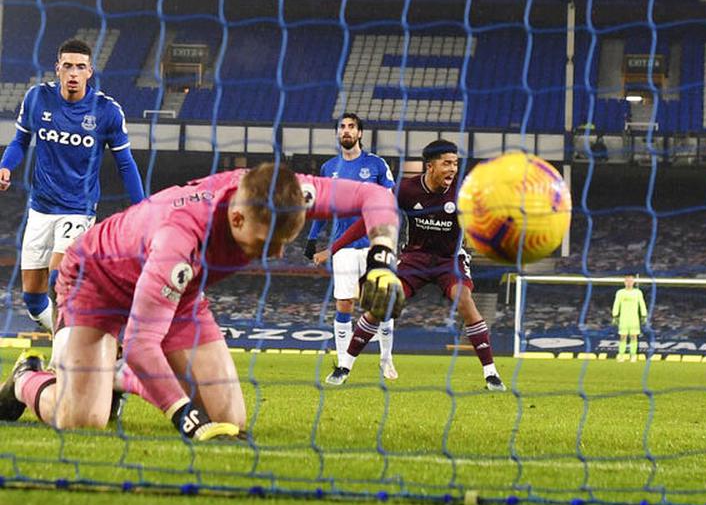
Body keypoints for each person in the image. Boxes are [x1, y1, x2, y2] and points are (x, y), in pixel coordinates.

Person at [0, 163, 402, 440]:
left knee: (229, 420)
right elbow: (141, 343)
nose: (277, 254)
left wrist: (382, 260)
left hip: (178, 292)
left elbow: (375, 194)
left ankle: (118, 376)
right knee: (83, 420)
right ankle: (26, 379)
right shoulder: (180, 235)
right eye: (269, 243)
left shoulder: (280, 194)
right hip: (97, 283)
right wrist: (183, 417)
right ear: (239, 220)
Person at [327, 140, 505, 391]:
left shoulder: (465, 192)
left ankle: (491, 375)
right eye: (447, 163)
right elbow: (372, 215)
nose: (452, 169)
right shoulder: (406, 190)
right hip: (415, 259)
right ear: (430, 166)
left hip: (449, 260)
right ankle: (344, 366)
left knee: (464, 300)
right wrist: (334, 247)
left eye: (455, 163)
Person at [0, 39, 145, 332]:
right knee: (32, 299)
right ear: (58, 69)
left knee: (58, 278)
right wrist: (5, 165)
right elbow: (20, 141)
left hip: (78, 209)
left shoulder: (107, 111)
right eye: (67, 66)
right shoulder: (36, 98)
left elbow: (126, 164)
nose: (73, 73)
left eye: (80, 67)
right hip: (40, 209)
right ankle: (64, 339)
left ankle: (76, 348)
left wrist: (144, 207)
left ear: (90, 71)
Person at [305, 113, 396, 379]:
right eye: (342, 127)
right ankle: (344, 364)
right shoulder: (328, 168)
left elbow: (389, 201)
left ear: (360, 133)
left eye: (351, 127)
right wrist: (312, 238)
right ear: (337, 134)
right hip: (342, 246)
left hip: (374, 244)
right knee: (344, 304)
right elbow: (322, 209)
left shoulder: (377, 165)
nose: (346, 131)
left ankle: (386, 359)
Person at [611, 275, 648, 361]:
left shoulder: (638, 292)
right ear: (624, 282)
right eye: (627, 281)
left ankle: (633, 355)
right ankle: (621, 355)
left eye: (631, 281)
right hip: (623, 318)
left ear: (633, 282)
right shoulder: (620, 292)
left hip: (634, 318)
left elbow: (642, 304)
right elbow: (616, 304)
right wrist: (615, 315)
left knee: (634, 336)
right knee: (623, 337)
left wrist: (644, 315)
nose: (629, 283)